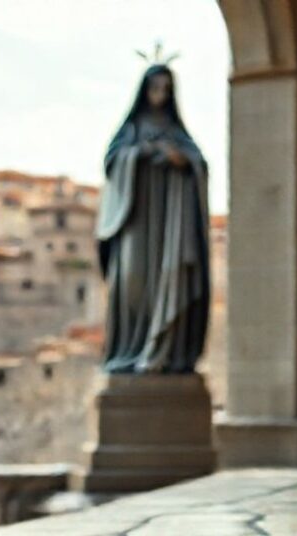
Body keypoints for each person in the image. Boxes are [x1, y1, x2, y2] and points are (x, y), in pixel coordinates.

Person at [96, 63, 211, 374]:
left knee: (169, 281)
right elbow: (112, 161)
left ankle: (166, 351)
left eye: (165, 89)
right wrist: (141, 154)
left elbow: (199, 164)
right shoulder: (131, 129)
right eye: (154, 87)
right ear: (144, 90)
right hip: (135, 218)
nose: (159, 94)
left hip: (171, 228)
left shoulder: (177, 131)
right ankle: (129, 349)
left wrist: (181, 159)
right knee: (132, 279)